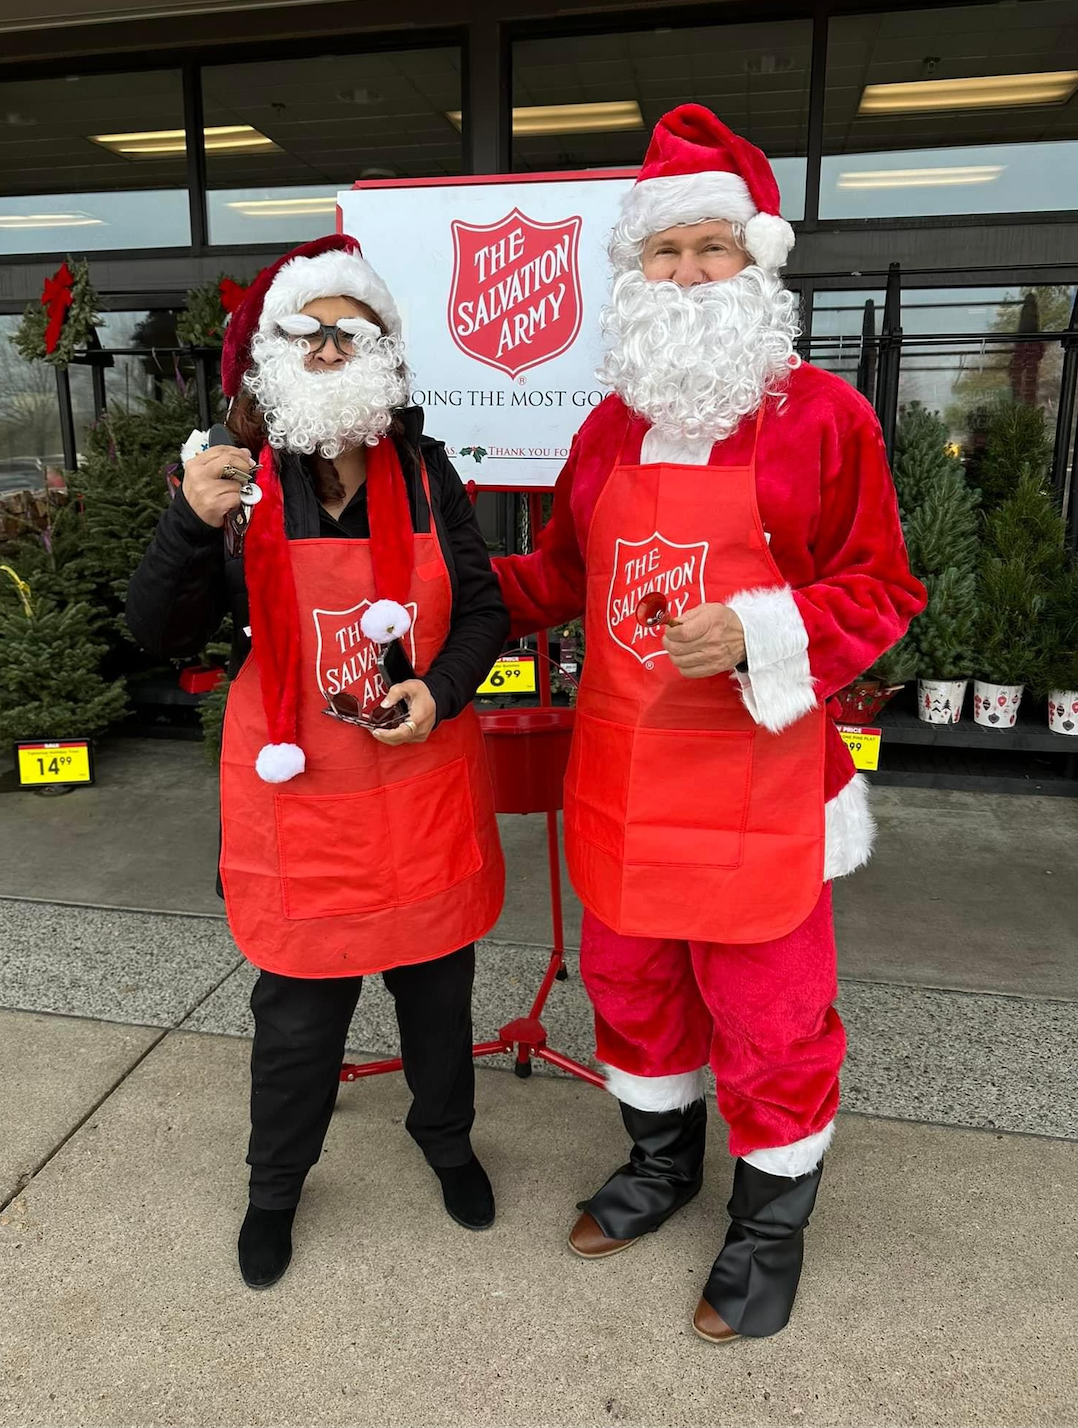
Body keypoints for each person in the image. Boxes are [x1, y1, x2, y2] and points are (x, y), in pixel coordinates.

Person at [495, 105, 927, 1343]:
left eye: (710, 249)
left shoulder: (823, 420)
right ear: (635, 276)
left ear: (758, 263)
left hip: (757, 779)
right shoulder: (609, 424)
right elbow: (557, 578)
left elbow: (885, 589)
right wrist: (439, 579)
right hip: (626, 772)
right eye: (663, 253)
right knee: (630, 986)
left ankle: (767, 1224)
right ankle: (658, 1164)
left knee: (771, 1011)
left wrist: (759, 631)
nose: (685, 274)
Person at [127, 234, 508, 1290]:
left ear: (386, 350)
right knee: (296, 1023)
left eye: (355, 329)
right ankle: (275, 1189)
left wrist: (438, 691)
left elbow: (482, 611)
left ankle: (446, 1140)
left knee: (438, 1002)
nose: (333, 346)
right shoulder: (235, 482)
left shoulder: (425, 472)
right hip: (304, 805)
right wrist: (185, 527)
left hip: (418, 790)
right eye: (312, 329)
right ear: (275, 351)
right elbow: (157, 631)